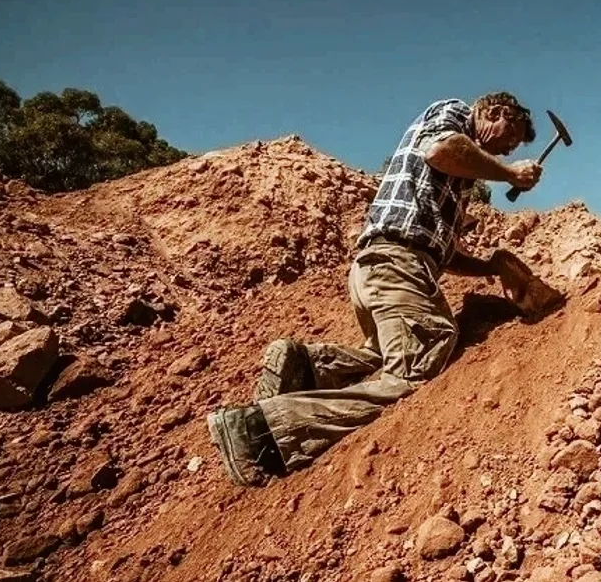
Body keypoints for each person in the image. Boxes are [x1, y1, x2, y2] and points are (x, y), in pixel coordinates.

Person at [206, 92, 547, 486]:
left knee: (391, 355)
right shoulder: (454, 117)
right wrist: (508, 174)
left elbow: (444, 251)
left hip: (386, 265)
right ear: (497, 112)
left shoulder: (461, 176)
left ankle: (306, 366)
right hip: (397, 264)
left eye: (513, 149)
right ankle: (259, 432)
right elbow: (439, 149)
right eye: (512, 136)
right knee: (413, 372)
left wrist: (489, 267)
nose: (508, 148)